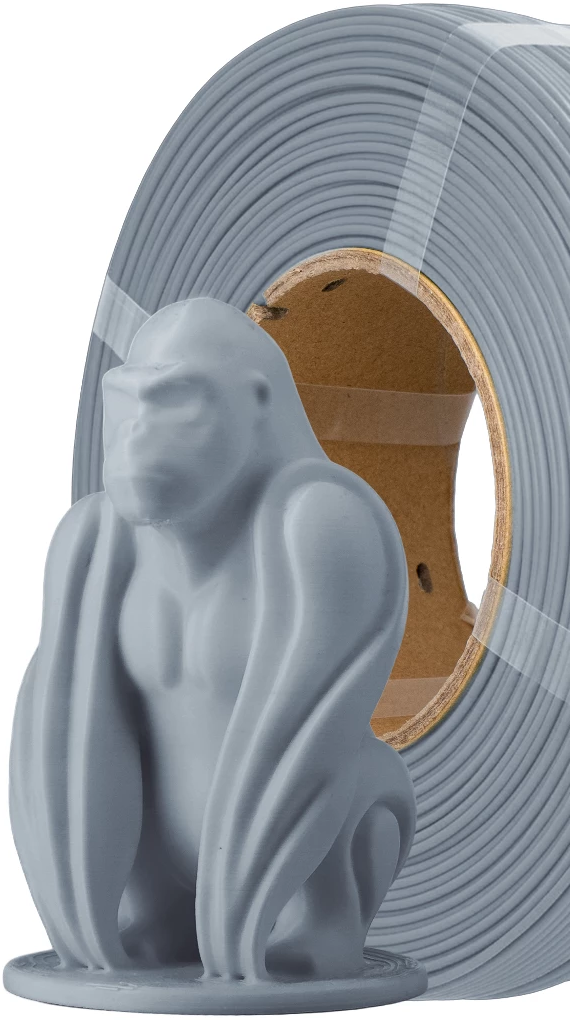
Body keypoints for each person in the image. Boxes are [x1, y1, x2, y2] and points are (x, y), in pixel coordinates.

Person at [10, 297, 415, 982]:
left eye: (175, 404)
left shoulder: (317, 523)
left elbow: (309, 734)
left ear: (256, 405)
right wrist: (82, 927)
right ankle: (167, 917)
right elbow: (64, 729)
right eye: (128, 404)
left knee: (361, 774)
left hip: (313, 848)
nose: (138, 435)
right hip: (158, 865)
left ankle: (323, 923)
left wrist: (238, 930)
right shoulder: (98, 540)